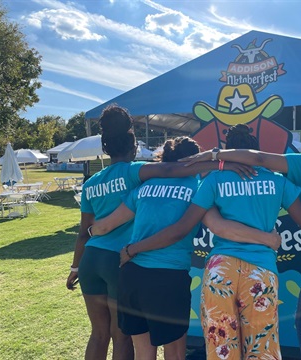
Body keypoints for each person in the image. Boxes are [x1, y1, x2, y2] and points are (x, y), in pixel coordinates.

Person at [106, 124, 301, 360]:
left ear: (229, 150)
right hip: (261, 271)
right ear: (254, 148)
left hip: (221, 271)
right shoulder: (277, 181)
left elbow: (187, 226)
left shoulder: (213, 181)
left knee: (222, 348)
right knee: (261, 349)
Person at [180, 114, 301, 360]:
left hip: (230, 268)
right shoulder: (285, 180)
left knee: (229, 346)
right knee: (264, 348)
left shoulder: (216, 180)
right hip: (273, 270)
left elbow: (201, 219)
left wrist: (214, 157)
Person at [65, 104, 255, 360]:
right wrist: (221, 165)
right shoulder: (186, 185)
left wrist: (82, 253)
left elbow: (101, 226)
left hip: (116, 268)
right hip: (147, 270)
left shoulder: (126, 186)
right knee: (161, 349)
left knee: (113, 339)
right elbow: (207, 226)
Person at [88, 136, 281, 360]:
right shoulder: (197, 189)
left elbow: (105, 225)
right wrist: (267, 238)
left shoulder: (144, 188)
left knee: (142, 353)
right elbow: (221, 227)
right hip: (167, 278)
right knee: (176, 354)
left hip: (132, 276)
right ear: (195, 160)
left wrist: (91, 234)